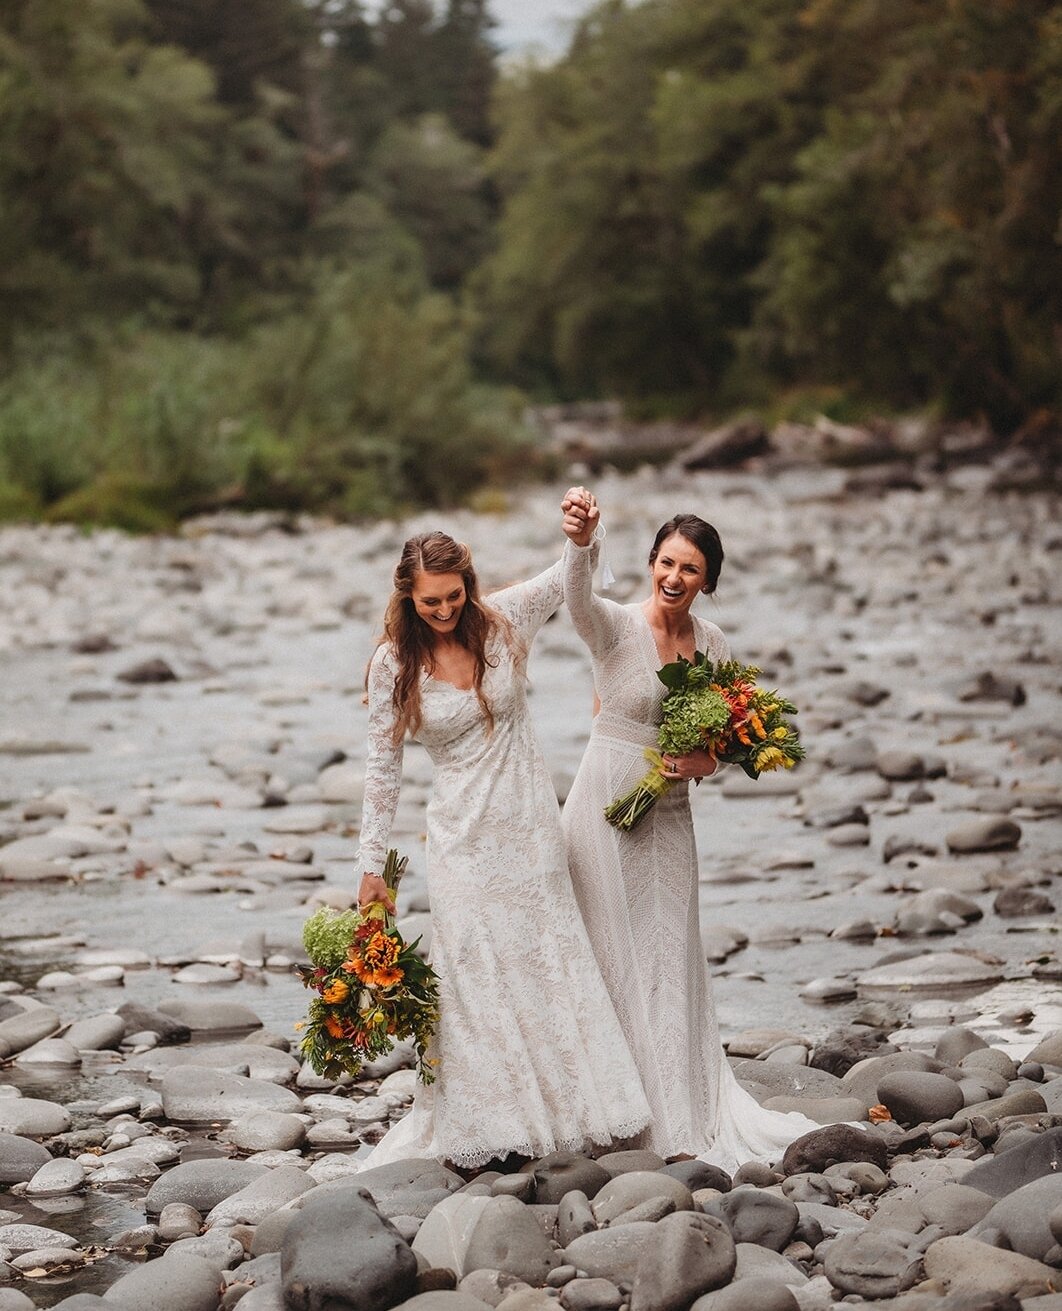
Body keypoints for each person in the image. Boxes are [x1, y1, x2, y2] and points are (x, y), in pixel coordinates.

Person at [355, 529, 651, 1170]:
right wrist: (371, 866)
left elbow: (569, 581)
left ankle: (570, 1116)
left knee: (547, 960)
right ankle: (491, 1125)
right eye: (429, 601)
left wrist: (581, 536)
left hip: (531, 829)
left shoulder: (502, 620)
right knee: (474, 975)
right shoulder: (392, 663)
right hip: (461, 839)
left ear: (470, 583)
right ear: (407, 597)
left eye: (453, 596)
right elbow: (383, 768)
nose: (442, 610)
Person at [560, 490, 821, 1171]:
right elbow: (576, 597)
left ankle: (677, 1113)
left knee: (670, 956)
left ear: (709, 581)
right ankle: (609, 1113)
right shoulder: (613, 626)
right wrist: (582, 541)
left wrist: (700, 759)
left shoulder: (713, 645)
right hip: (602, 807)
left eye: (692, 569)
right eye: (667, 562)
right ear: (650, 562)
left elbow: (726, 743)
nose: (676, 577)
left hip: (670, 813)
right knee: (607, 951)